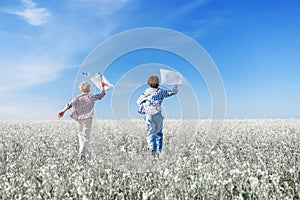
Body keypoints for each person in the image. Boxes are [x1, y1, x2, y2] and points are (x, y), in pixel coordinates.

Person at [58, 79, 106, 159]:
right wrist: (102, 86)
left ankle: (83, 151)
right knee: (86, 136)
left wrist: (63, 111)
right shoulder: (91, 97)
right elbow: (102, 94)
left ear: (81, 89)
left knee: (80, 135)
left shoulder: (78, 98)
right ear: (89, 89)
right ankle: (82, 154)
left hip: (78, 119)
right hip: (87, 119)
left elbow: (69, 105)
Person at [137, 75, 178, 158]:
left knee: (150, 132)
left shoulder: (146, 92)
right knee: (158, 133)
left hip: (149, 115)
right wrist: (175, 87)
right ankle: (158, 151)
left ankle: (152, 148)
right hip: (158, 114)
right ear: (158, 83)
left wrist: (146, 103)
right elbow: (170, 93)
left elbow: (138, 101)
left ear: (149, 83)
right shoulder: (160, 91)